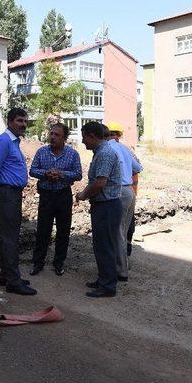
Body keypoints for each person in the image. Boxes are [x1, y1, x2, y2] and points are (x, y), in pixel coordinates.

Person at [0, 108, 37, 295]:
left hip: (11, 194)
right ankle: (13, 281)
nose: (23, 124)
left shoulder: (13, 142)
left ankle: (7, 275)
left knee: (9, 237)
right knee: (10, 238)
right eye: (19, 120)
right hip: (5, 194)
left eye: (25, 121)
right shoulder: (5, 141)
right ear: (9, 121)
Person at [75, 121, 122, 298]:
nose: (83, 141)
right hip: (104, 205)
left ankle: (108, 286)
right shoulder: (100, 152)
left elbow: (100, 183)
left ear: (92, 136)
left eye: (84, 137)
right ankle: (104, 279)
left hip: (107, 206)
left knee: (105, 246)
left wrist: (83, 195)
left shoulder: (105, 154)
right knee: (101, 244)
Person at [29, 122, 82, 276]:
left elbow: (78, 174)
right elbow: (33, 170)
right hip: (46, 195)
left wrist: (61, 174)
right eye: (51, 133)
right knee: (43, 230)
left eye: (56, 135)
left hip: (63, 195)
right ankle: (37, 263)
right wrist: (46, 173)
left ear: (64, 138)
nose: (52, 137)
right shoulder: (41, 152)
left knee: (63, 231)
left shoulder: (72, 154)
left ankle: (59, 263)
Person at [106, 122, 142, 281]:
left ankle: (120, 271)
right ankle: (123, 265)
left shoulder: (107, 149)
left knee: (117, 233)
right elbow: (138, 168)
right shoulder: (126, 149)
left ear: (107, 134)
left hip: (118, 191)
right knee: (123, 231)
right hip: (129, 192)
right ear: (119, 135)